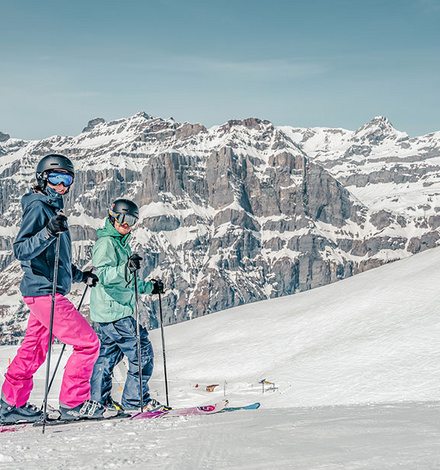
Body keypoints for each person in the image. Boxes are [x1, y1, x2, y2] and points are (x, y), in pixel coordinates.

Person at [0, 154, 103, 424]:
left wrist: (81, 275)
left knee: (33, 350)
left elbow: (57, 258)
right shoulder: (39, 208)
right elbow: (21, 250)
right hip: (45, 292)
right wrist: (48, 231)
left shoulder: (52, 209)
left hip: (43, 291)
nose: (61, 185)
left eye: (66, 179)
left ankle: (11, 404)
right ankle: (74, 403)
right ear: (43, 178)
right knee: (88, 343)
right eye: (55, 178)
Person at [89, 198, 167, 412]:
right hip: (115, 313)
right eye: (122, 218)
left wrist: (149, 288)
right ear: (113, 216)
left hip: (108, 313)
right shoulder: (106, 243)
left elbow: (126, 281)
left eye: (131, 220)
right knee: (142, 352)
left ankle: (98, 402)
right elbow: (103, 275)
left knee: (107, 356)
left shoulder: (119, 242)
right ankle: (135, 401)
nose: (126, 224)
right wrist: (126, 267)